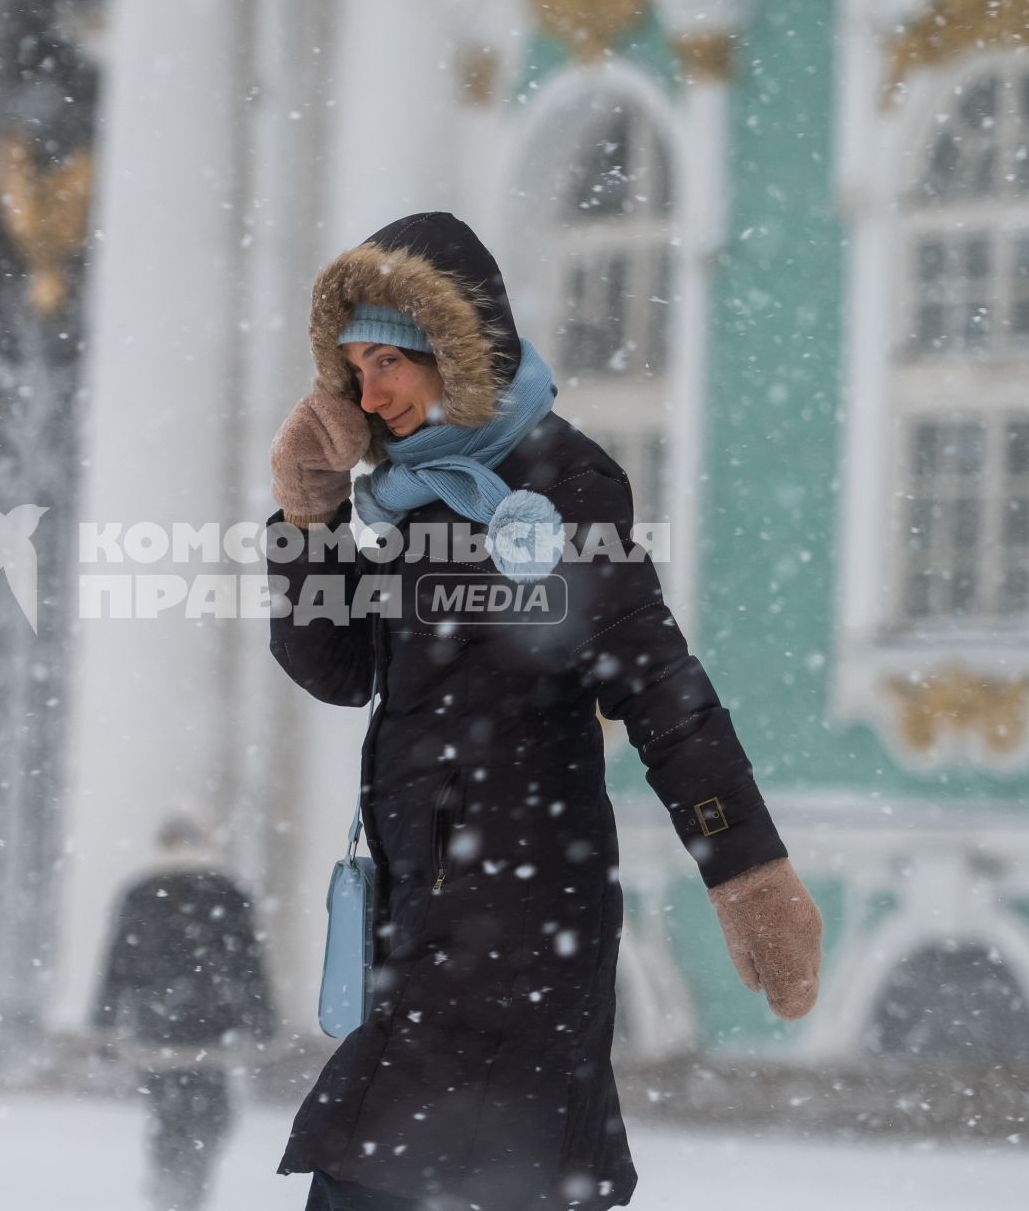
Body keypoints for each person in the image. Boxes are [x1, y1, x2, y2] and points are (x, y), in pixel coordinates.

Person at [265, 212, 825, 1210]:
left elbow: (658, 684)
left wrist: (745, 866)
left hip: (517, 921)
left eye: (389, 358)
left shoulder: (562, 479)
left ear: (458, 347)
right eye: (354, 366)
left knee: (387, 1176)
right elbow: (336, 665)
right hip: (425, 915)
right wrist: (306, 519)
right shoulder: (406, 500)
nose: (369, 389)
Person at [93, 813, 279, 1211]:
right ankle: (191, 1188)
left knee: (166, 1118)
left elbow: (116, 962)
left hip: (156, 1027)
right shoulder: (226, 890)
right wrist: (263, 1022)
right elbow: (249, 963)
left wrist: (103, 1024)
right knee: (211, 1119)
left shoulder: (140, 890)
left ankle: (169, 1188)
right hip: (211, 1029)